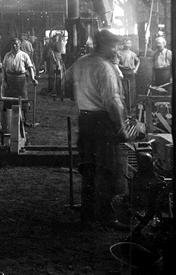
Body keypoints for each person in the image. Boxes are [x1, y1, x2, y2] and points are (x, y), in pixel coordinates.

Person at [64, 29, 130, 228]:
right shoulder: (104, 67)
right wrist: (121, 128)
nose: (117, 50)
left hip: (85, 120)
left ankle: (88, 215)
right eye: (114, 46)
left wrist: (82, 95)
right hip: (103, 122)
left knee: (88, 169)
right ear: (104, 45)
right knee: (106, 169)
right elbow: (112, 102)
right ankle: (106, 217)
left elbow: (64, 82)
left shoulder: (81, 62)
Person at [1, 38, 37, 121]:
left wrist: (33, 78)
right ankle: (7, 119)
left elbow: (30, 67)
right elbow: (3, 69)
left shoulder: (24, 55)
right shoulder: (7, 55)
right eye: (13, 44)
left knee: (23, 99)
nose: (14, 46)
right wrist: (4, 81)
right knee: (8, 100)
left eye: (16, 44)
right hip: (10, 79)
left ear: (20, 45)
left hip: (20, 80)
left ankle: (24, 119)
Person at [116, 37, 140, 113]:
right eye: (125, 43)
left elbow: (138, 61)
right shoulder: (119, 53)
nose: (127, 45)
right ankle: (125, 110)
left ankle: (131, 109)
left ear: (131, 44)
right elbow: (116, 64)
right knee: (124, 91)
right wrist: (120, 71)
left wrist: (135, 69)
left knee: (131, 91)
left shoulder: (132, 54)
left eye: (128, 43)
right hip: (123, 74)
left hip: (131, 73)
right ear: (123, 44)